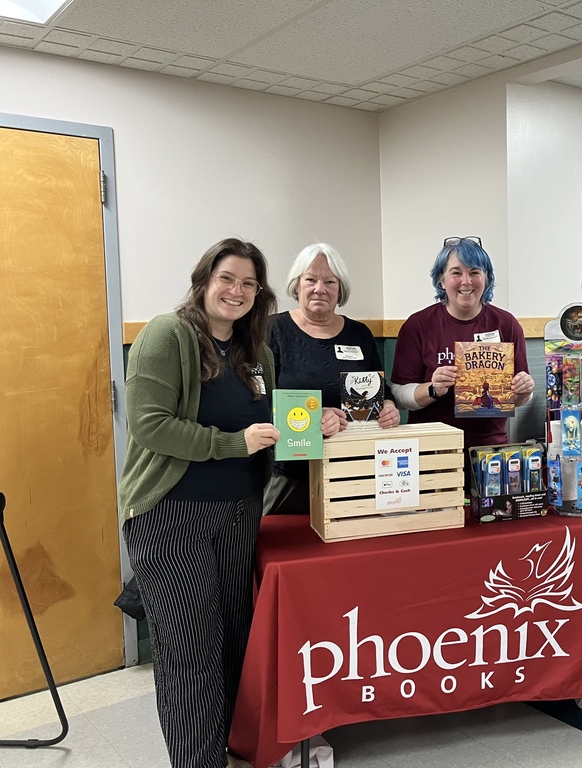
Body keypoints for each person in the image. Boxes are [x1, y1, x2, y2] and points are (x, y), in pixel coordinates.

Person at [118, 238, 278, 768]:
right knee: (189, 652)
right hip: (172, 514)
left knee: (234, 637)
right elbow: (149, 425)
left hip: (239, 511)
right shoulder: (169, 335)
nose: (237, 291)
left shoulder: (257, 352)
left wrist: (317, 426)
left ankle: (230, 749)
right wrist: (232, 444)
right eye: (227, 279)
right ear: (204, 280)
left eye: (248, 283)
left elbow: (272, 428)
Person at [265, 243, 399, 515]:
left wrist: (389, 406)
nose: (320, 288)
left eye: (329, 281)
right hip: (290, 474)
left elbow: (380, 389)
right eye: (311, 280)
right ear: (297, 285)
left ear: (340, 289)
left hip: (354, 469)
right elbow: (258, 401)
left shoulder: (358, 334)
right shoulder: (273, 330)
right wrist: (310, 417)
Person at [390, 236, 534, 454]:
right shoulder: (418, 325)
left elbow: (519, 396)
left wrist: (524, 391)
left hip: (490, 452)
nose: (466, 281)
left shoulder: (506, 324)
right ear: (441, 279)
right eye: (456, 273)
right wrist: (433, 389)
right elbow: (399, 396)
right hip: (432, 450)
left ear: (487, 278)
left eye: (475, 272)